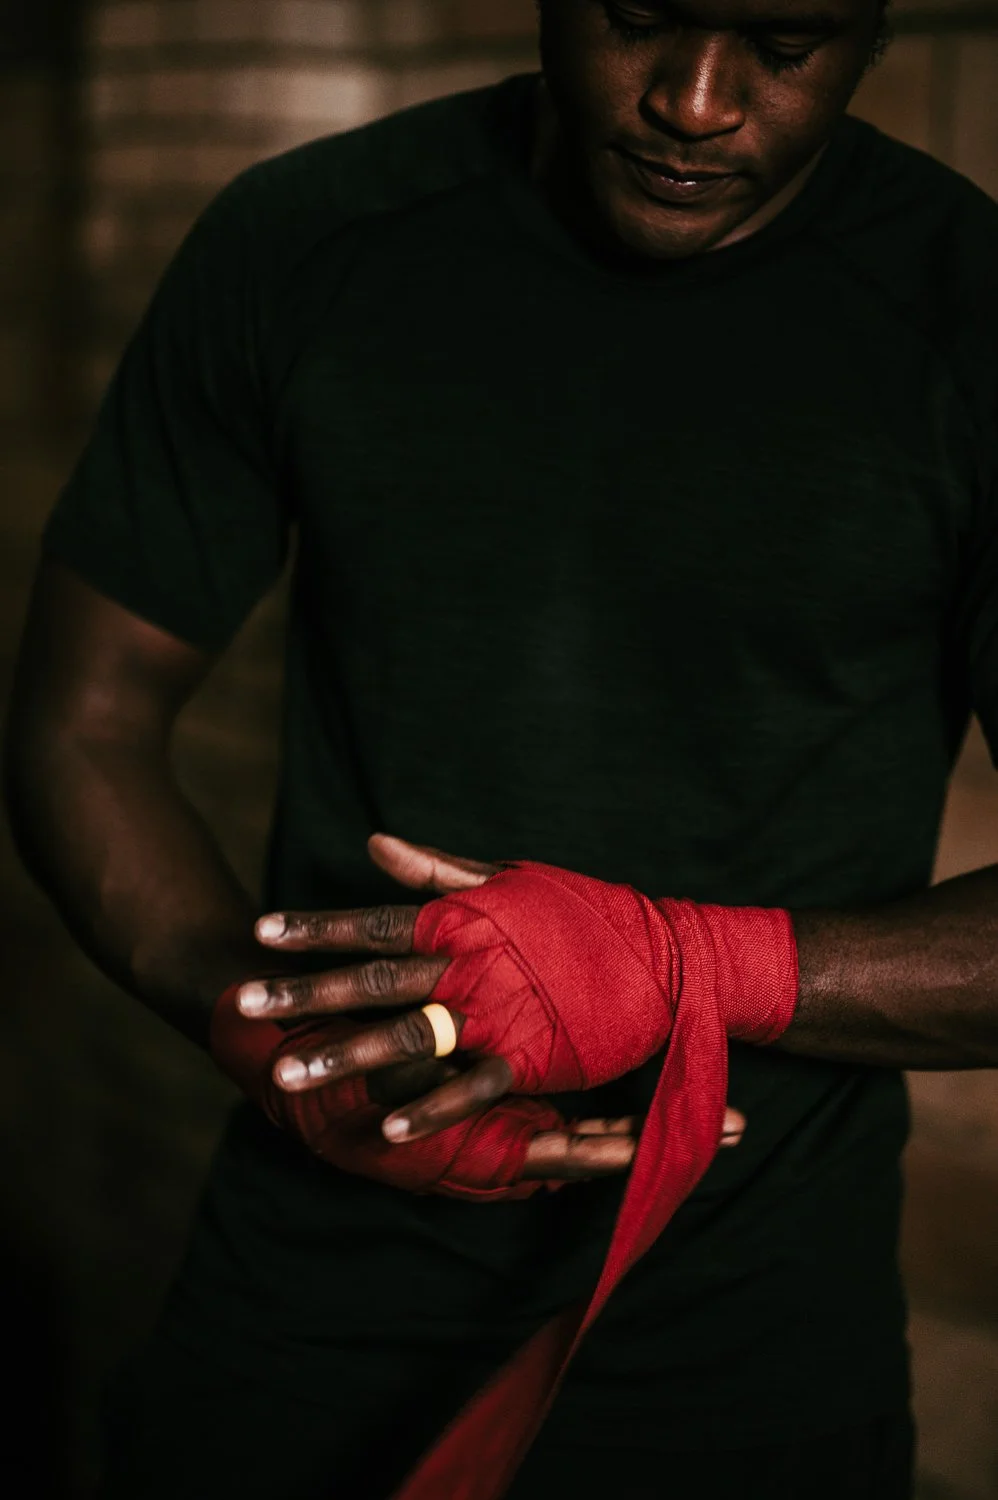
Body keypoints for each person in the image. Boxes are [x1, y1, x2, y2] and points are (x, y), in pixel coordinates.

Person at [7, 0, 998, 1493]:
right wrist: (258, 1012)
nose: (696, 100)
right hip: (298, 1318)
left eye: (785, 44)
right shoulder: (308, 241)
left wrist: (685, 967)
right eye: (640, 18)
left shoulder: (972, 317)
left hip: (747, 1353)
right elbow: (85, 722)